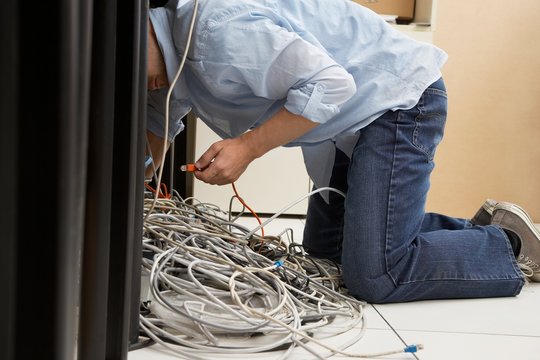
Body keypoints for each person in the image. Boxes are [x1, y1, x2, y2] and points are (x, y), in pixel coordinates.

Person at [146, 0, 539, 303]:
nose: (141, 84)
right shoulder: (167, 60)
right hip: (347, 125)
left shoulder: (215, 31)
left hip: (394, 101)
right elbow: (157, 122)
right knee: (327, 252)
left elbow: (332, 84)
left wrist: (247, 148)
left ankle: (512, 244)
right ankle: (485, 228)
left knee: (377, 275)